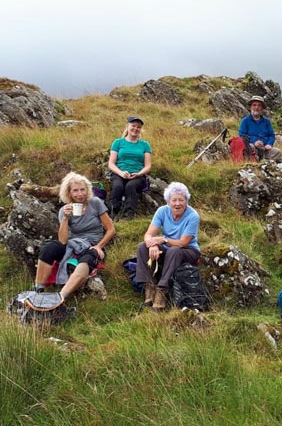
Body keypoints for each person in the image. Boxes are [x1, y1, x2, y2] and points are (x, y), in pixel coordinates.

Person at [33, 172, 115, 300]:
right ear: (69, 193)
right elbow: (63, 241)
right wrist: (65, 218)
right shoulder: (64, 210)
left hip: (93, 245)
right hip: (73, 243)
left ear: (87, 190)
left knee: (87, 260)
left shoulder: (95, 203)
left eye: (82, 190)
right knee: (50, 248)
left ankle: (61, 296)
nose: (80, 194)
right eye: (75, 190)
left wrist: (99, 246)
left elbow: (110, 229)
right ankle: (38, 290)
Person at [135, 182, 201, 311]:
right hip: (168, 247)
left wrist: (162, 240)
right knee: (142, 247)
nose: (177, 204)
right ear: (168, 201)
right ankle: (149, 287)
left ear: (186, 201)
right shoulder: (162, 211)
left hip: (188, 251)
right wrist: (152, 244)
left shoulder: (193, 216)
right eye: (174, 200)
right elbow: (148, 234)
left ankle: (162, 290)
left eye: (181, 200)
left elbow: (183, 243)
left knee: (174, 250)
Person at [108, 115, 152, 219]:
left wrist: (139, 173)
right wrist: (120, 173)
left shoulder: (145, 145)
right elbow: (111, 163)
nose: (135, 129)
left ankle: (129, 215)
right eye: (133, 126)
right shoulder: (118, 142)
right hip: (119, 173)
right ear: (127, 126)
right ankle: (113, 212)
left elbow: (148, 166)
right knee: (118, 186)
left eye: (138, 127)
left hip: (138, 175)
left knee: (130, 186)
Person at [238, 95, 282, 161]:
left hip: (265, 149)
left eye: (259, 105)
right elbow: (242, 136)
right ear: (250, 107)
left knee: (277, 152)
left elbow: (271, 135)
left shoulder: (267, 121)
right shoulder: (245, 121)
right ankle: (256, 161)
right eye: (254, 105)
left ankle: (262, 160)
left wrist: (269, 144)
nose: (256, 107)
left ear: (262, 108)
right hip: (252, 147)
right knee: (250, 148)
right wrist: (254, 142)